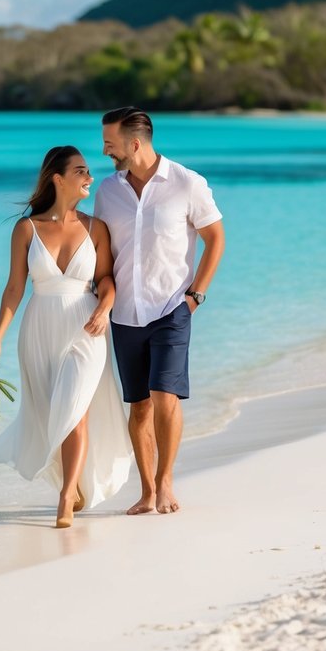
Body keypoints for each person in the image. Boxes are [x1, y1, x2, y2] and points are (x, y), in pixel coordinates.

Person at [0, 146, 132, 528]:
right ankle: (72, 484)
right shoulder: (27, 229)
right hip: (39, 330)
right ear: (58, 178)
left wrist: (104, 309)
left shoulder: (95, 227)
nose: (90, 178)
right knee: (55, 412)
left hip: (86, 325)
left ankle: (67, 496)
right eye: (81, 171)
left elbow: (106, 280)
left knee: (74, 408)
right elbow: (15, 288)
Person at [95, 107, 225, 516]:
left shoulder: (187, 183)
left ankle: (167, 481)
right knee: (139, 405)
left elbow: (215, 238)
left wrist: (196, 296)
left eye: (110, 143)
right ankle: (147, 490)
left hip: (172, 308)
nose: (104, 150)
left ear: (134, 143)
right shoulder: (107, 191)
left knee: (165, 395)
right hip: (124, 313)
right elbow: (99, 251)